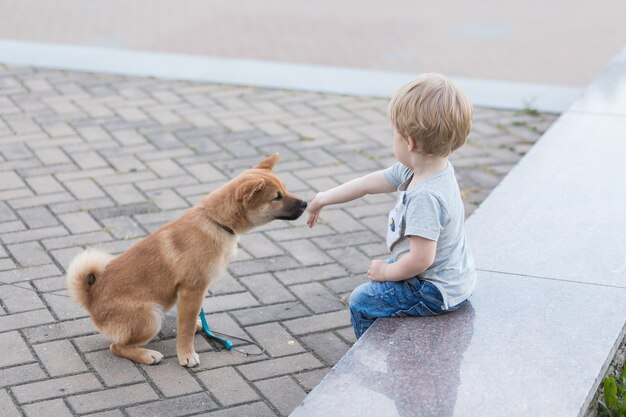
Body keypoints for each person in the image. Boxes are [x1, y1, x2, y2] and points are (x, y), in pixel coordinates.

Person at [306, 73, 476, 339]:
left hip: (435, 290)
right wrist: (324, 197)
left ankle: (377, 360)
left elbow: (421, 259)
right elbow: (367, 183)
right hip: (449, 275)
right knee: (384, 273)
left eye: (394, 135)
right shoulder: (424, 169)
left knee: (362, 300)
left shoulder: (425, 196)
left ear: (409, 142)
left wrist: (387, 272)